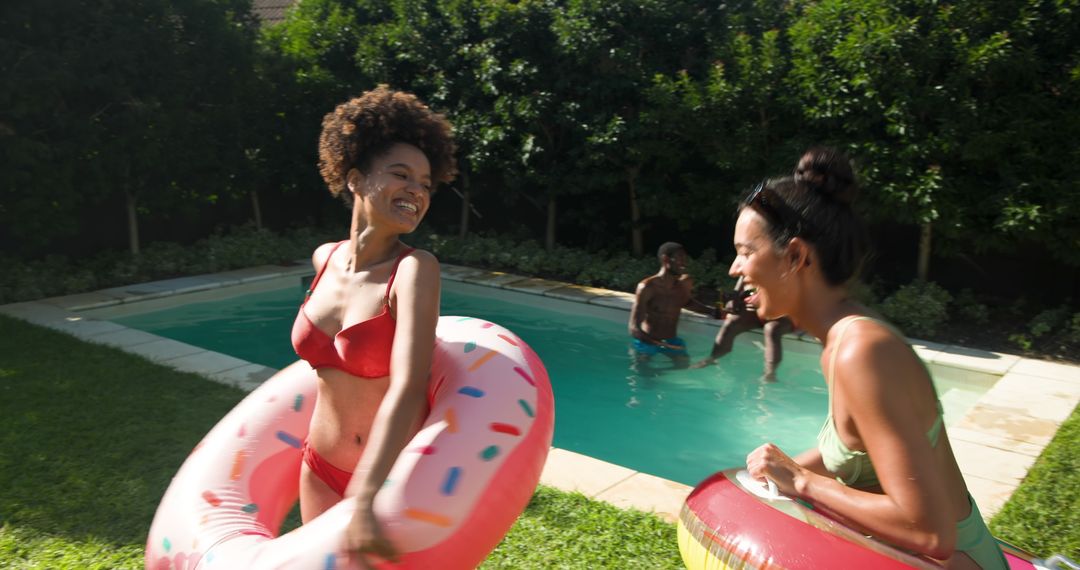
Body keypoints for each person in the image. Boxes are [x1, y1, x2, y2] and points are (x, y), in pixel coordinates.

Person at [738, 147, 1007, 569]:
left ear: (796, 256)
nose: (735, 268)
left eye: (745, 252)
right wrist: (780, 468)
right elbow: (857, 455)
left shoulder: (862, 351)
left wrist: (803, 482)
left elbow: (930, 533)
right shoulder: (842, 344)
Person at [290, 85, 457, 563]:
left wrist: (365, 493)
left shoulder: (414, 269)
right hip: (318, 467)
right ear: (357, 180)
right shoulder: (324, 259)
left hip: (390, 479)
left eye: (426, 184)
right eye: (401, 175)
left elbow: (409, 386)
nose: (417, 192)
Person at [689, 275, 794, 381]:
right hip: (759, 310)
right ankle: (712, 358)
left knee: (771, 329)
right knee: (732, 322)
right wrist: (738, 299)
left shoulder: (795, 265)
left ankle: (770, 374)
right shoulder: (754, 262)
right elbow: (743, 283)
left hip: (786, 313)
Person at [628, 242, 714, 368]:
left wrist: (712, 311)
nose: (684, 263)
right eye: (680, 258)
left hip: (672, 341)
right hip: (648, 342)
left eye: (685, 258)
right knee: (643, 375)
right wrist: (659, 344)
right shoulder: (647, 287)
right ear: (665, 259)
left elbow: (687, 302)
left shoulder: (681, 286)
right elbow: (634, 328)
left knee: (684, 368)